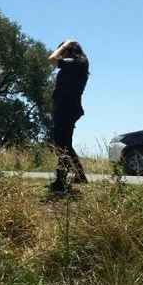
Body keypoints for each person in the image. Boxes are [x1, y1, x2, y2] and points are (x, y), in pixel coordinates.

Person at [47, 39, 89, 193]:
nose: (60, 52)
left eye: (62, 50)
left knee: (61, 145)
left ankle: (61, 181)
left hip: (68, 108)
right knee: (64, 144)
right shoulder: (75, 63)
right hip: (65, 108)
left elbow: (51, 59)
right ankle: (79, 176)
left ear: (69, 50)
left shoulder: (78, 62)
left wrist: (64, 45)